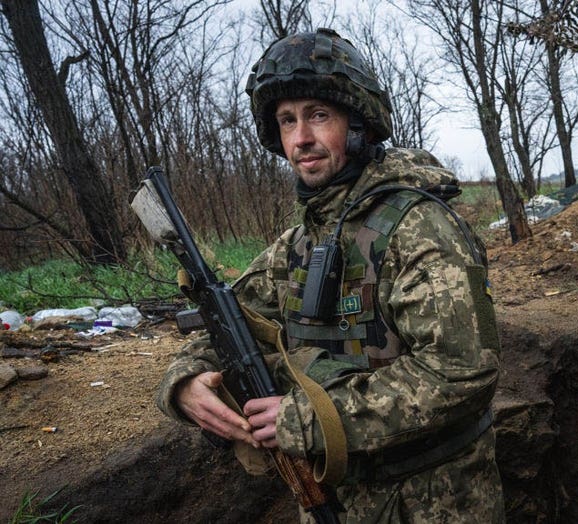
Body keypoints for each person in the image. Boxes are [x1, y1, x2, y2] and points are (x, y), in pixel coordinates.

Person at [155, 28, 505, 523]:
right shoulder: (298, 245)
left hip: (434, 501)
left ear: (358, 124)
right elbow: (231, 321)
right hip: (332, 499)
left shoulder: (419, 227)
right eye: (287, 120)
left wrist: (311, 419)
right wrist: (184, 381)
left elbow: (463, 371)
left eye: (318, 115)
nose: (301, 139)